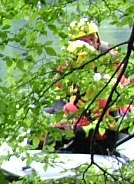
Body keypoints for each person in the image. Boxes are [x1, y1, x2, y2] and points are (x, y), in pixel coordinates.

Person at [48, 19, 123, 154]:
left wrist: (81, 129)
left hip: (100, 126)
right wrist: (60, 116)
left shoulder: (105, 73)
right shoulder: (68, 68)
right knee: (53, 122)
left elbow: (110, 117)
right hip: (81, 113)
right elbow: (58, 92)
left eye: (87, 39)